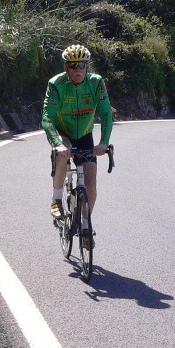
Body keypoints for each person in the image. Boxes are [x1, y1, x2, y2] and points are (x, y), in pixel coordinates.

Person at [42, 44, 113, 247]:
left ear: (87, 66)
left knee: (90, 183)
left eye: (82, 65)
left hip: (84, 135)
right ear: (66, 67)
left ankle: (85, 225)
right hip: (62, 132)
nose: (78, 69)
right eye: (73, 66)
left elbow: (106, 114)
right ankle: (56, 198)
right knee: (63, 154)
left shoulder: (96, 83)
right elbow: (47, 117)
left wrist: (104, 143)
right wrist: (57, 143)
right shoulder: (56, 84)